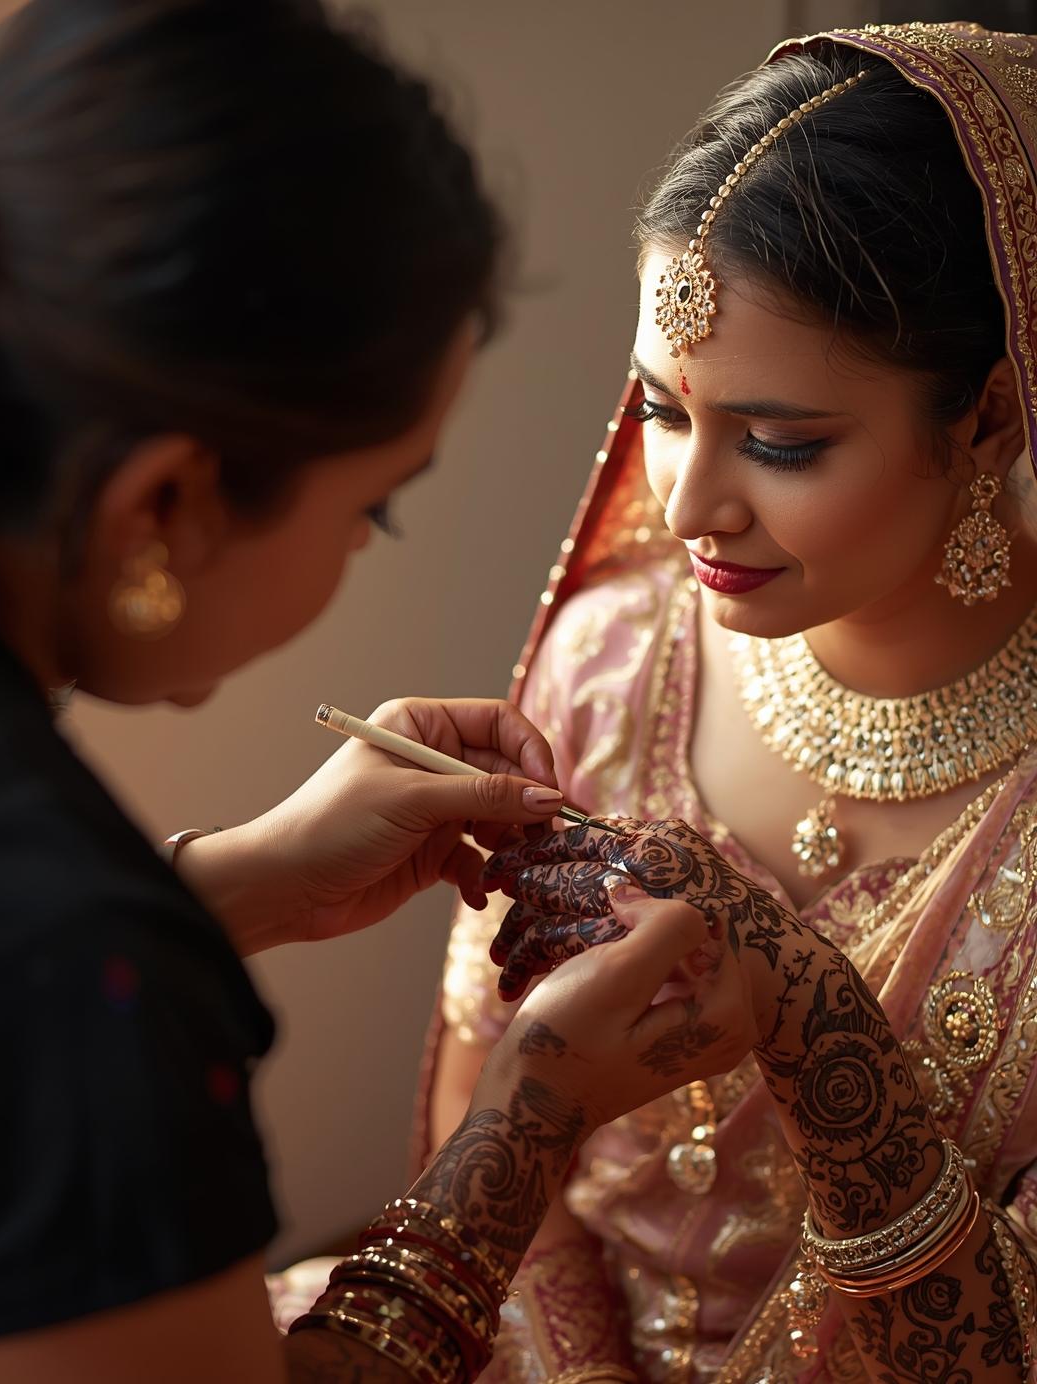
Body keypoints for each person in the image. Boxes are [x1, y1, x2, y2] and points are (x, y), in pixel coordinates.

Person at [0, 2, 761, 1380]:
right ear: (162, 505)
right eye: (379, 510)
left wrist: (233, 888)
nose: (698, 499)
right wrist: (527, 1117)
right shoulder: (73, 969)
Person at [425, 21, 1037, 1383]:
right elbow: (481, 1123)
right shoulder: (609, 660)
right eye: (659, 409)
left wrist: (820, 1035)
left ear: (989, 421)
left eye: (780, 441)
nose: (686, 505)